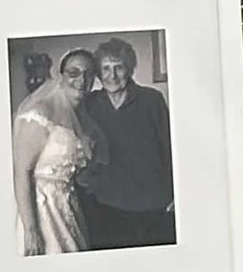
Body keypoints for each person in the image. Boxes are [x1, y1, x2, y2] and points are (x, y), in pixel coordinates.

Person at [76, 37, 175, 250]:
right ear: (99, 73)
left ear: (129, 69)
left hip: (150, 202)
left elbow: (169, 147)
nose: (112, 76)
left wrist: (176, 192)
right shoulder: (90, 103)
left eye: (118, 68)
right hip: (105, 204)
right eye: (106, 68)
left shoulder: (151, 99)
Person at [11, 47, 103, 255]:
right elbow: (21, 173)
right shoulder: (39, 114)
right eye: (74, 72)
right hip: (39, 207)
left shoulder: (84, 119)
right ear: (61, 77)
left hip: (68, 204)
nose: (81, 79)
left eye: (88, 74)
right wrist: (31, 229)